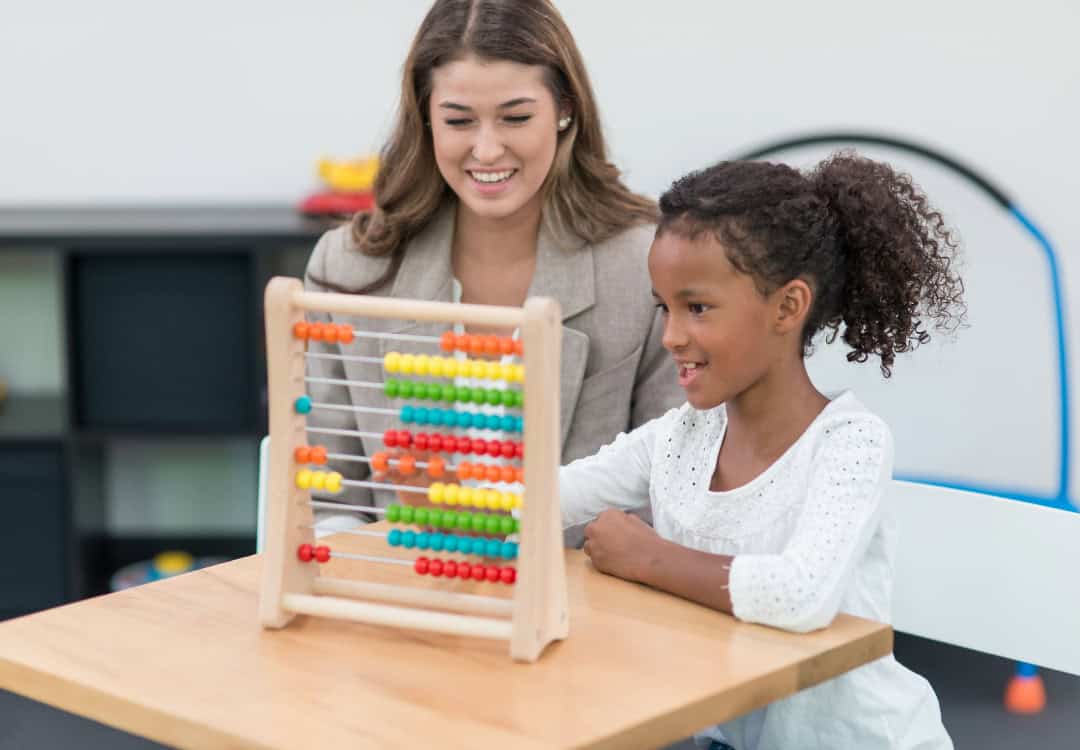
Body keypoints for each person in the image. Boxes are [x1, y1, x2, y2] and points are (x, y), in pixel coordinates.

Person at [560, 153, 965, 749]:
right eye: (663, 308)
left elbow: (798, 596)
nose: (671, 335)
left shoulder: (849, 444)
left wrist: (646, 557)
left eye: (697, 308)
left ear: (788, 307)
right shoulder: (678, 440)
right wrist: (438, 489)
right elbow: (546, 496)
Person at [301, 0, 681, 537]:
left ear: (565, 108)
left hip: (591, 604)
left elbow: (676, 495)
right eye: (458, 121)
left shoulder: (643, 268)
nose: (486, 149)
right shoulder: (349, 269)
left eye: (516, 117)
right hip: (401, 596)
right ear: (425, 116)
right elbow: (325, 494)